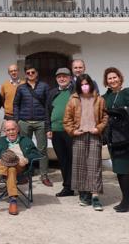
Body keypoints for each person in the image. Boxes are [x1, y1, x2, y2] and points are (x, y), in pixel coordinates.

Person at [63, 74, 108, 211]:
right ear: (78, 86)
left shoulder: (99, 99)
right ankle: (84, 195)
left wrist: (98, 128)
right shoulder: (73, 99)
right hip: (79, 135)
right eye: (82, 84)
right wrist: (72, 131)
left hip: (94, 135)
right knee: (80, 165)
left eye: (87, 83)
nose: (85, 86)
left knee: (94, 165)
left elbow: (105, 117)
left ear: (91, 84)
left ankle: (95, 196)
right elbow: (67, 119)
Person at [102, 67, 129, 213]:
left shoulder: (127, 93)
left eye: (114, 77)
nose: (112, 80)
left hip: (125, 136)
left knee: (122, 167)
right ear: (106, 82)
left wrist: (123, 119)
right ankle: (126, 199)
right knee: (119, 169)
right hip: (113, 137)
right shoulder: (106, 97)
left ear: (120, 78)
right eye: (109, 78)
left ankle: (127, 200)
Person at [0, 120, 42, 216]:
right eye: (8, 130)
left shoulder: (26, 140)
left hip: (21, 167)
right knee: (11, 168)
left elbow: (37, 153)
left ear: (17, 129)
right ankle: (13, 201)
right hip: (7, 168)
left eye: (13, 129)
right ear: (5, 132)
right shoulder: (1, 141)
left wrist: (27, 159)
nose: (11, 132)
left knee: (10, 161)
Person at [13, 64, 52, 187]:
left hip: (40, 122)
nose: (30, 74)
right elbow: (16, 104)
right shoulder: (21, 88)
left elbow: (48, 106)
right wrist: (17, 121)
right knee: (26, 149)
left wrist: (47, 124)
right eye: (28, 73)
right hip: (24, 122)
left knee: (42, 149)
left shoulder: (44, 86)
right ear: (25, 74)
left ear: (37, 73)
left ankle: (44, 175)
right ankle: (26, 173)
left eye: (33, 72)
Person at [47, 68, 75, 197]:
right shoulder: (52, 93)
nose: (62, 79)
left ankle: (80, 186)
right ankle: (67, 187)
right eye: (59, 77)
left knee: (74, 159)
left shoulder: (75, 91)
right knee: (63, 160)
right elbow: (47, 112)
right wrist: (48, 128)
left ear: (70, 78)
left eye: (64, 76)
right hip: (56, 131)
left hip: (71, 131)